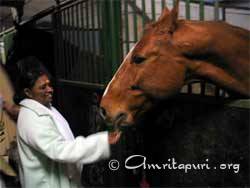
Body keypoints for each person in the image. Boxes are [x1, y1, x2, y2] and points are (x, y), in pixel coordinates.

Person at [3, 56, 121, 188]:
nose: (50, 89)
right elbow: (60, 150)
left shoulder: (44, 108)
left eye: (49, 84)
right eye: (43, 87)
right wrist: (102, 141)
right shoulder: (32, 119)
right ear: (28, 93)